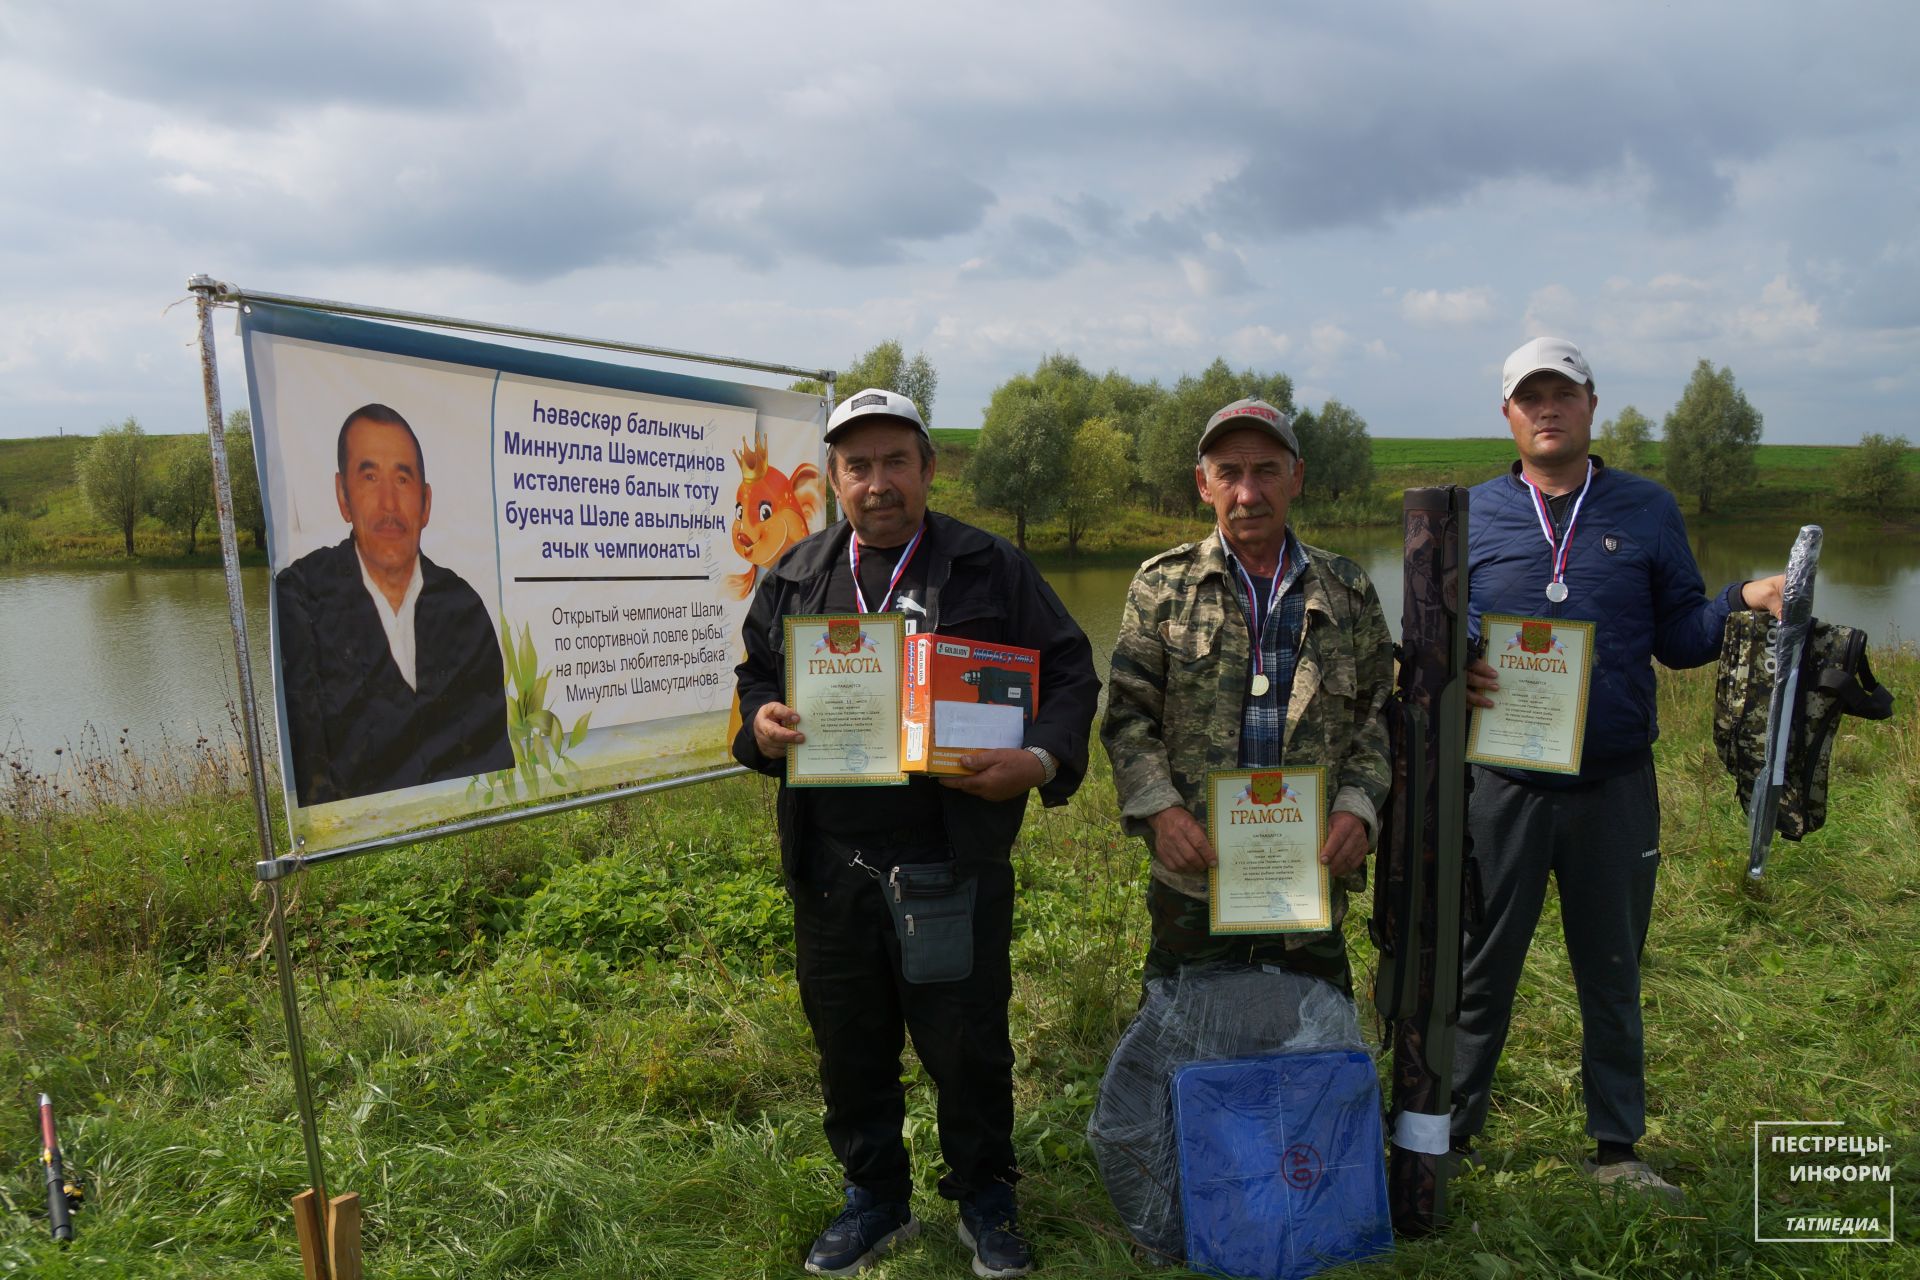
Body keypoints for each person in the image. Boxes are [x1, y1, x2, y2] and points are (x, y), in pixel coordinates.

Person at [731, 388, 1098, 1278]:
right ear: (833, 478)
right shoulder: (794, 576)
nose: (878, 482)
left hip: (952, 857)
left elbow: (1072, 674)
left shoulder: (990, 567)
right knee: (849, 1043)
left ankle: (985, 1196)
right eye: (858, 465)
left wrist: (1041, 762)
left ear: (929, 470)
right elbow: (754, 684)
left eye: (897, 461)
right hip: (831, 864)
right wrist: (764, 727)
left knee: (967, 1041)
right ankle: (876, 1200)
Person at [1452, 338, 1784, 1197]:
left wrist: (1739, 602)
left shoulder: (1645, 507)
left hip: (1614, 786)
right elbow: (1434, 634)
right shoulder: (1470, 514)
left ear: (1591, 405)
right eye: (1530, 397)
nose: (1546, 408)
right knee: (1480, 967)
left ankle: (1617, 1152)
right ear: (1508, 416)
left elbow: (1678, 638)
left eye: (1562, 393)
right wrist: (1457, 664)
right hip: (1502, 787)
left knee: (1612, 971)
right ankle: (1446, 1137)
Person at [1103, 397, 1394, 998]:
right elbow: (1128, 716)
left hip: (1307, 877)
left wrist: (1357, 807)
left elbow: (1378, 719)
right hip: (1195, 879)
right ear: (1203, 485)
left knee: (1309, 1051)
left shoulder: (1349, 591)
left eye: (1265, 470)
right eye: (1229, 473)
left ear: (1297, 477)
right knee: (1184, 1046)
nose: (1248, 493)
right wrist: (1161, 809)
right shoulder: (1160, 586)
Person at [275, 403, 513, 806]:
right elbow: (309, 769)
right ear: (343, 496)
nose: (389, 505)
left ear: (425, 502)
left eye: (403, 479)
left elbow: (492, 764)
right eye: (369, 477)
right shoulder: (302, 599)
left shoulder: (463, 609)